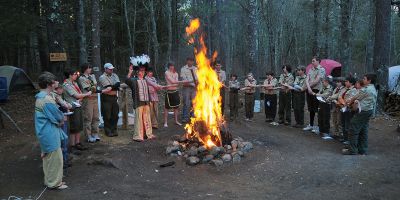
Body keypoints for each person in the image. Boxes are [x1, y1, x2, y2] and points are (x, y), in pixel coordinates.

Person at [35, 72, 68, 189]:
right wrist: (62, 119)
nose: (57, 83)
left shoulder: (42, 96)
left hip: (45, 132)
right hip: (49, 132)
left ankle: (51, 180)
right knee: (55, 158)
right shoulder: (46, 99)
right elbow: (58, 116)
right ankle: (54, 183)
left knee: (49, 158)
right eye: (55, 81)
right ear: (50, 84)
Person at [342, 74, 377, 155]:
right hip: (368, 111)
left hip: (363, 111)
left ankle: (352, 150)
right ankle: (362, 149)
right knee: (363, 130)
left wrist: (349, 103)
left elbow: (355, 97)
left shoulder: (366, 89)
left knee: (353, 128)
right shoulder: (373, 88)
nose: (363, 80)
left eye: (364, 79)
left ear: (369, 80)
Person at [78, 63, 111, 142]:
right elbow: (89, 88)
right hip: (88, 99)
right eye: (89, 68)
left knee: (96, 117)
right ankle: (88, 135)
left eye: (91, 68)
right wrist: (102, 91)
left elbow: (94, 86)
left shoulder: (92, 76)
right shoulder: (81, 78)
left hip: (95, 98)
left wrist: (94, 88)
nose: (90, 69)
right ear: (85, 69)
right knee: (88, 117)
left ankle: (95, 133)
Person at [63, 69, 92, 152]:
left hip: (78, 105)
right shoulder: (66, 85)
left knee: (79, 125)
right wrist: (87, 94)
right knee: (73, 126)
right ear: (70, 75)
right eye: (75, 74)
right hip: (72, 107)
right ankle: (72, 145)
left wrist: (81, 97)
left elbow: (79, 94)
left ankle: (77, 143)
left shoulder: (74, 83)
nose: (76, 75)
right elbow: (76, 95)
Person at [126, 61, 155, 142]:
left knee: (147, 119)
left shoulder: (145, 80)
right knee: (139, 120)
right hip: (138, 103)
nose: (142, 72)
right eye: (141, 71)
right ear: (138, 72)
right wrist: (130, 72)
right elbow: (127, 80)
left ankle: (148, 134)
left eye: (143, 71)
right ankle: (138, 136)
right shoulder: (134, 80)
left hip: (146, 102)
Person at [52, 85, 73, 169]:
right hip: (60, 120)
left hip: (63, 118)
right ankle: (63, 161)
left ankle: (65, 157)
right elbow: (65, 105)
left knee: (65, 138)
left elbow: (66, 105)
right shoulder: (55, 97)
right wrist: (68, 107)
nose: (62, 90)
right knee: (63, 140)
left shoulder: (58, 96)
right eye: (60, 88)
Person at [304, 56, 326, 132]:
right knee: (311, 108)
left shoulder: (321, 69)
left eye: (313, 61)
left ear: (318, 61)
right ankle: (311, 124)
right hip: (310, 90)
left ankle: (319, 127)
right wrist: (309, 88)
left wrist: (308, 87)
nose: (312, 62)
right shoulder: (310, 69)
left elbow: (317, 81)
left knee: (317, 109)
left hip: (317, 91)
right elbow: (307, 79)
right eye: (312, 61)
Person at [99, 63, 120, 137]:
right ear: (105, 69)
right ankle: (107, 130)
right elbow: (108, 87)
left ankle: (114, 129)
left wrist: (113, 87)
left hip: (114, 97)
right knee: (107, 114)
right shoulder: (102, 77)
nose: (111, 70)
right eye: (110, 69)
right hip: (106, 97)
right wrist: (114, 86)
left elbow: (118, 84)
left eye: (112, 69)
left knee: (115, 114)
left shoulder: (115, 75)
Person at [165, 63, 187, 127]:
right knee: (167, 108)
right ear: (168, 67)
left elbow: (176, 83)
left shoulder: (176, 73)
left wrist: (175, 83)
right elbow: (173, 82)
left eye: (172, 66)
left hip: (175, 91)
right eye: (170, 66)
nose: (172, 67)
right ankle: (165, 122)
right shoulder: (166, 72)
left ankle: (176, 121)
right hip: (169, 92)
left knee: (176, 107)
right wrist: (183, 81)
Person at [337, 76, 358, 144]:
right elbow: (339, 97)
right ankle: (345, 138)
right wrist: (342, 102)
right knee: (343, 123)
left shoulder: (354, 90)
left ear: (351, 83)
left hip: (349, 109)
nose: (345, 82)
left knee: (347, 124)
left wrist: (343, 102)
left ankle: (349, 140)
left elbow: (349, 100)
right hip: (343, 108)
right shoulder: (345, 89)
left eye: (347, 81)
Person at [180, 57, 197, 123]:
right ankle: (185, 117)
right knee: (186, 102)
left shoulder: (195, 69)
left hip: (194, 88)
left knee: (194, 102)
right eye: (189, 61)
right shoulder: (183, 69)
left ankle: (193, 116)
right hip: (186, 88)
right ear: (187, 61)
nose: (191, 62)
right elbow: (184, 79)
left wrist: (195, 84)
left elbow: (197, 78)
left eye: (192, 61)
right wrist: (192, 83)